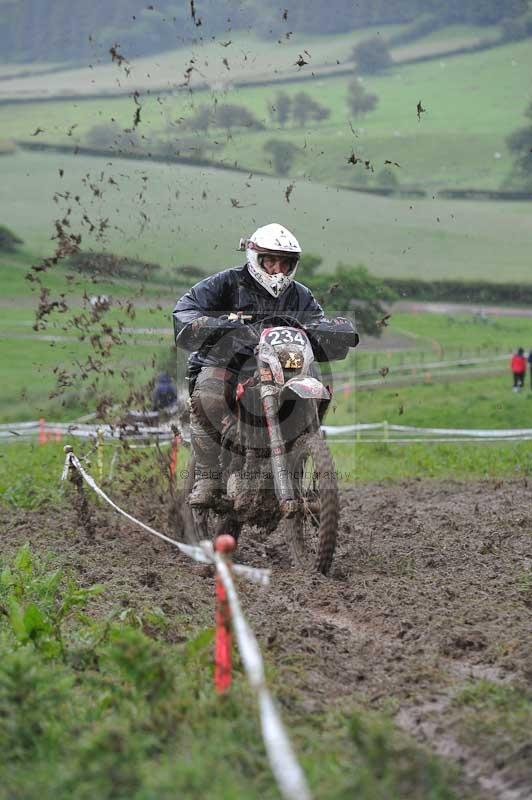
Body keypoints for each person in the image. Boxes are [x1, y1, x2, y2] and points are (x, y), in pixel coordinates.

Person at [172, 222, 357, 506]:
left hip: (282, 370)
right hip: (227, 365)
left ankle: (299, 460)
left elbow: (316, 321)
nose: (277, 270)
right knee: (208, 396)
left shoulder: (300, 295)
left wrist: (334, 329)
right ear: (255, 257)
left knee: (317, 387)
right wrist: (213, 324)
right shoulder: (225, 284)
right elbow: (185, 309)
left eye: (285, 263)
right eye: (270, 261)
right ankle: (208, 475)